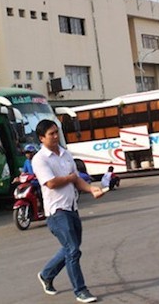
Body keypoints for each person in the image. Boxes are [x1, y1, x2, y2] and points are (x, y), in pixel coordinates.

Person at [31, 119, 104, 303]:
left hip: (72, 208)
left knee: (72, 248)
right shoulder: (39, 159)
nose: (56, 136)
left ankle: (47, 274)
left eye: (57, 132)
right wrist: (70, 178)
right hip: (57, 212)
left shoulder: (66, 154)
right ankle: (80, 290)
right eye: (51, 134)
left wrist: (91, 189)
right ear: (42, 138)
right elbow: (51, 183)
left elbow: (77, 180)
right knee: (73, 250)